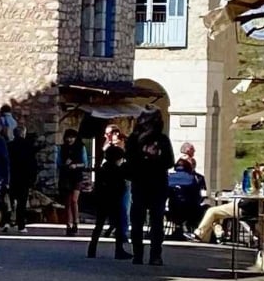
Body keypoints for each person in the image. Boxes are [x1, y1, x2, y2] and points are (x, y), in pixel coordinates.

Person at [127, 109, 175, 265]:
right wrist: (146, 157)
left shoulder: (162, 140)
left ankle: (154, 255)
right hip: (141, 183)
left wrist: (154, 158)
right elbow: (130, 161)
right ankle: (139, 254)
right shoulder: (134, 140)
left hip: (157, 184)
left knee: (156, 222)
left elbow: (169, 161)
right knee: (139, 221)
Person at [88, 125, 132, 259]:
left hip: (102, 200)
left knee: (99, 225)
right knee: (118, 226)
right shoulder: (119, 171)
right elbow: (121, 186)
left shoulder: (102, 170)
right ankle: (119, 251)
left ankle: (92, 249)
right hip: (114, 201)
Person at [5, 126, 38, 233]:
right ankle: (21, 225)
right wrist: (33, 179)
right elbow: (33, 164)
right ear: (24, 134)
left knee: (8, 201)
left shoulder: (9, 146)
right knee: (22, 203)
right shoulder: (29, 146)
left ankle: (6, 221)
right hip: (24, 178)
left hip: (11, 177)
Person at [56, 128, 88, 236]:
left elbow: (85, 163)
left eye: (72, 137)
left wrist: (76, 165)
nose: (70, 140)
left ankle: (76, 222)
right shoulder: (62, 148)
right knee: (67, 202)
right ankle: (68, 224)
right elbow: (59, 163)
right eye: (68, 137)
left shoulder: (80, 148)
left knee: (74, 200)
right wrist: (65, 164)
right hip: (66, 176)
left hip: (76, 176)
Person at [167, 158, 206, 235]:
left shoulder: (169, 177)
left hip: (172, 210)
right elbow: (197, 196)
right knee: (205, 208)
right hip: (190, 211)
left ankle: (179, 227)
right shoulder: (192, 178)